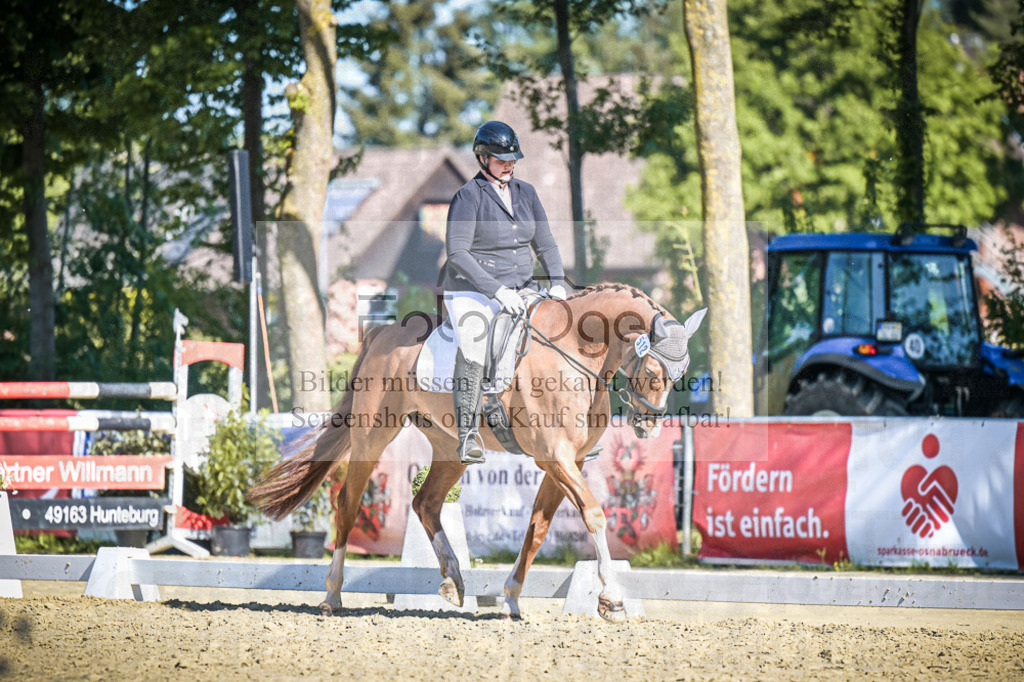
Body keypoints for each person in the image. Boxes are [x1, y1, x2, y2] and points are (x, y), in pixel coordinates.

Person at [442, 121, 567, 464]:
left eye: (512, 158)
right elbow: (458, 253)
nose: (509, 164)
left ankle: (566, 428)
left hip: (523, 287)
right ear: (482, 158)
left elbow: (545, 242)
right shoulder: (468, 197)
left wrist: (557, 280)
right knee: (473, 339)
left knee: (556, 333)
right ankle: (467, 433)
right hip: (472, 290)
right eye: (501, 159)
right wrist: (495, 291)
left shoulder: (527, 193)